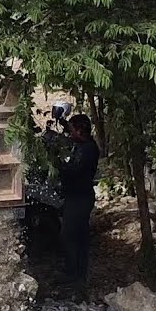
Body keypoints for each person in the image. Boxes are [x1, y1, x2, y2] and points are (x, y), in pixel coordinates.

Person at [53, 113, 99, 297]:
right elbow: (69, 133)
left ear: (80, 131)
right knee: (76, 236)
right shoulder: (85, 144)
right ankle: (75, 273)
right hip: (78, 197)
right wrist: (62, 122)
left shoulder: (87, 150)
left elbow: (72, 170)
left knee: (71, 236)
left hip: (80, 198)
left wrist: (58, 165)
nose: (69, 134)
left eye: (73, 130)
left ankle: (76, 275)